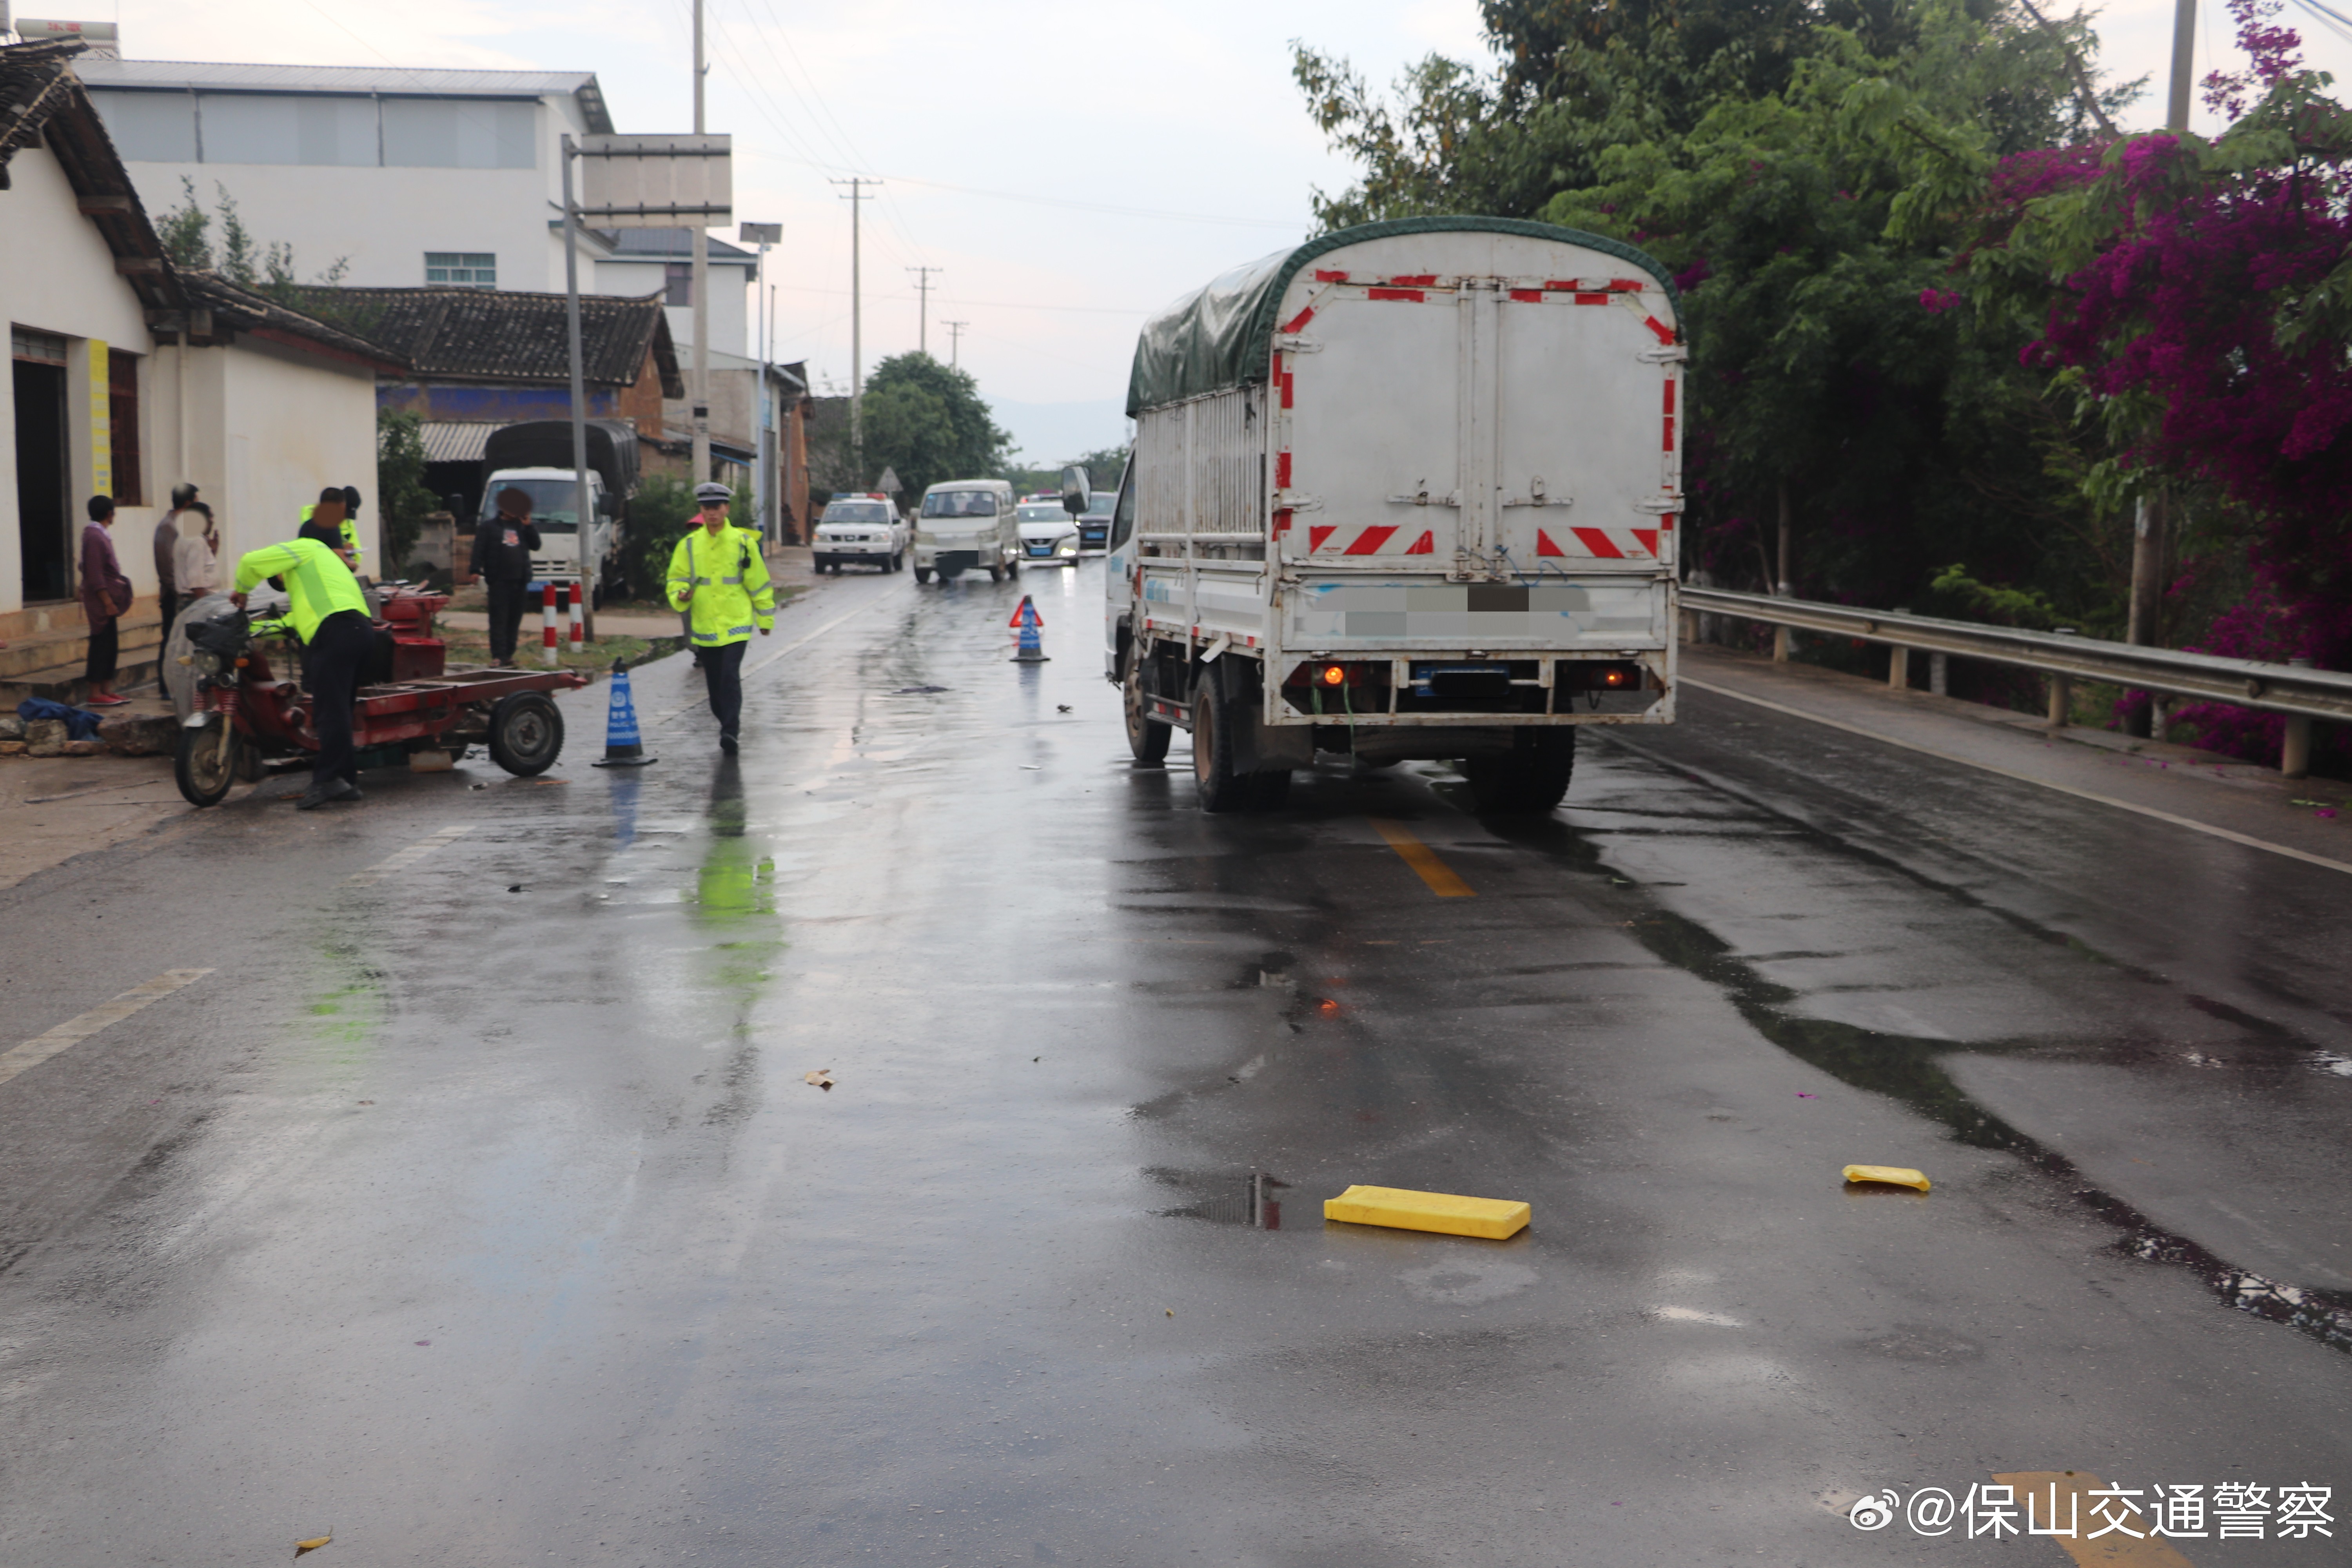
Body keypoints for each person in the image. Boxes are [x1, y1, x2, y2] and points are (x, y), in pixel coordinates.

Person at [229, 535, 374, 810]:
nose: (284, 583)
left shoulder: (305, 548)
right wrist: (247, 631)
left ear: (281, 570)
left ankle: (328, 779)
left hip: (337, 631)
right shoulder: (322, 575)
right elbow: (289, 623)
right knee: (340, 710)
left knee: (329, 712)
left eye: (280, 580)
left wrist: (242, 590)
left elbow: (250, 562)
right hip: (359, 631)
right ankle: (346, 781)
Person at [665, 482, 773, 753]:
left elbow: (759, 583)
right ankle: (725, 721)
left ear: (727, 509)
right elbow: (675, 579)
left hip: (737, 622)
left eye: (717, 507)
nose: (712, 513)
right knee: (714, 686)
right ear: (701, 511)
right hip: (705, 625)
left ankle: (731, 730)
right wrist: (681, 594)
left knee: (729, 676)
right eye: (707, 508)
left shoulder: (743, 543)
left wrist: (765, 619)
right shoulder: (689, 545)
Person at [469, 487, 541, 667]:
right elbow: (479, 549)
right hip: (499, 581)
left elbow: (536, 545)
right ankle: (498, 655)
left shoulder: (522, 528)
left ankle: (509, 654)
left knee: (514, 620)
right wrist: (475, 570)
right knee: (499, 620)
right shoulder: (489, 527)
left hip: (520, 581)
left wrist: (529, 526)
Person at [79, 494, 133, 706]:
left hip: (109, 598)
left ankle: (106, 689)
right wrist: (107, 601)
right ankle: (95, 691)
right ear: (110, 514)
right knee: (101, 644)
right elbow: (94, 573)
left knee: (111, 644)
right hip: (101, 601)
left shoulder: (100, 535)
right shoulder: (94, 536)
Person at [154, 481, 198, 647]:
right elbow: (165, 566)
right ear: (188, 504)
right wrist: (180, 591)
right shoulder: (168, 527)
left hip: (185, 594)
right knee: (171, 641)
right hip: (174, 596)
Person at [174, 501, 221, 601]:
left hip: (188, 599)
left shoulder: (184, 537)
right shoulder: (196, 541)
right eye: (210, 517)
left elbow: (201, 568)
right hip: (197, 601)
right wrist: (202, 607)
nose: (213, 521)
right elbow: (196, 580)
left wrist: (213, 552)